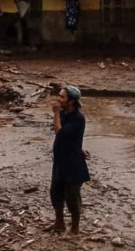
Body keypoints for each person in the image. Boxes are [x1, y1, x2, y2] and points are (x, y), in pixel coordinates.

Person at [45, 86, 90, 234]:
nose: (59, 99)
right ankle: (59, 223)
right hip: (60, 161)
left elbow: (60, 132)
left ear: (71, 101)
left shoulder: (78, 118)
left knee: (72, 196)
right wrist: (80, 148)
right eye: (59, 96)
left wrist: (56, 114)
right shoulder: (65, 114)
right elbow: (72, 139)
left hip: (72, 164)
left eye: (62, 97)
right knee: (56, 192)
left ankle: (75, 228)